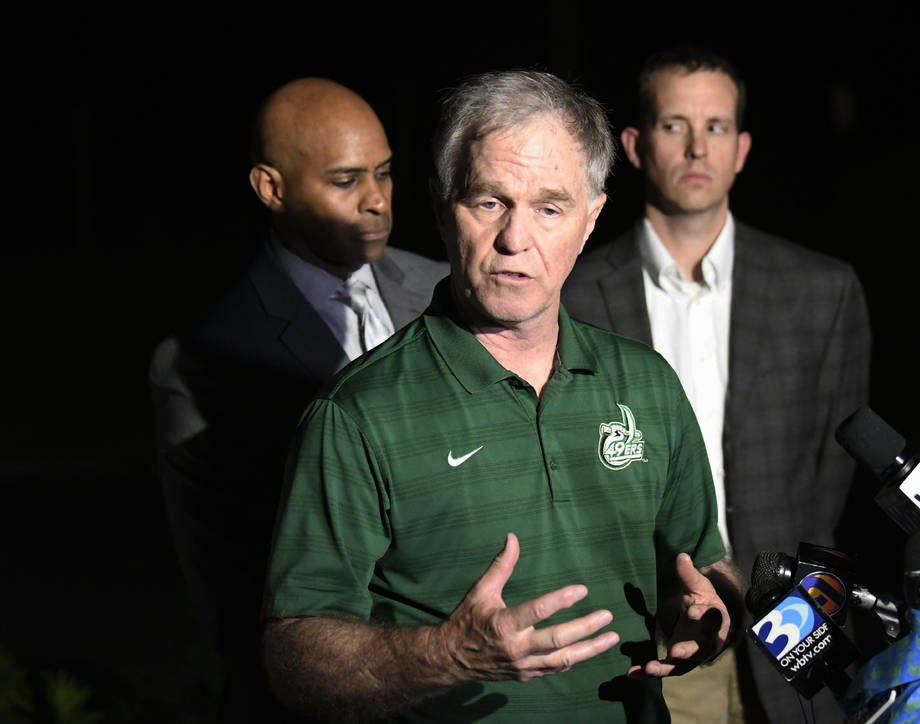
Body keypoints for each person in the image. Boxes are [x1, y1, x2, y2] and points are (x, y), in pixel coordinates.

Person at [262, 69, 746, 724]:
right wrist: (449, 655)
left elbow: (700, 564)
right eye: (489, 202)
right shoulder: (355, 415)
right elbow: (292, 655)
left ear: (591, 218)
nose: (516, 240)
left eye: (550, 207)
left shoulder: (647, 384)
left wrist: (705, 611)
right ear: (440, 205)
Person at [562, 48, 871, 724]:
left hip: (791, 629)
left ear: (743, 148)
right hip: (643, 634)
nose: (699, 145)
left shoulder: (822, 291)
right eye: (675, 125)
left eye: (718, 126)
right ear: (636, 146)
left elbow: (831, 479)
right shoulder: (572, 296)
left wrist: (803, 596)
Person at [149, 77, 447, 722]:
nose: (376, 201)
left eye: (386, 173)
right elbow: (234, 601)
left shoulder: (445, 292)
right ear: (271, 188)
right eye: (345, 181)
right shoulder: (203, 361)